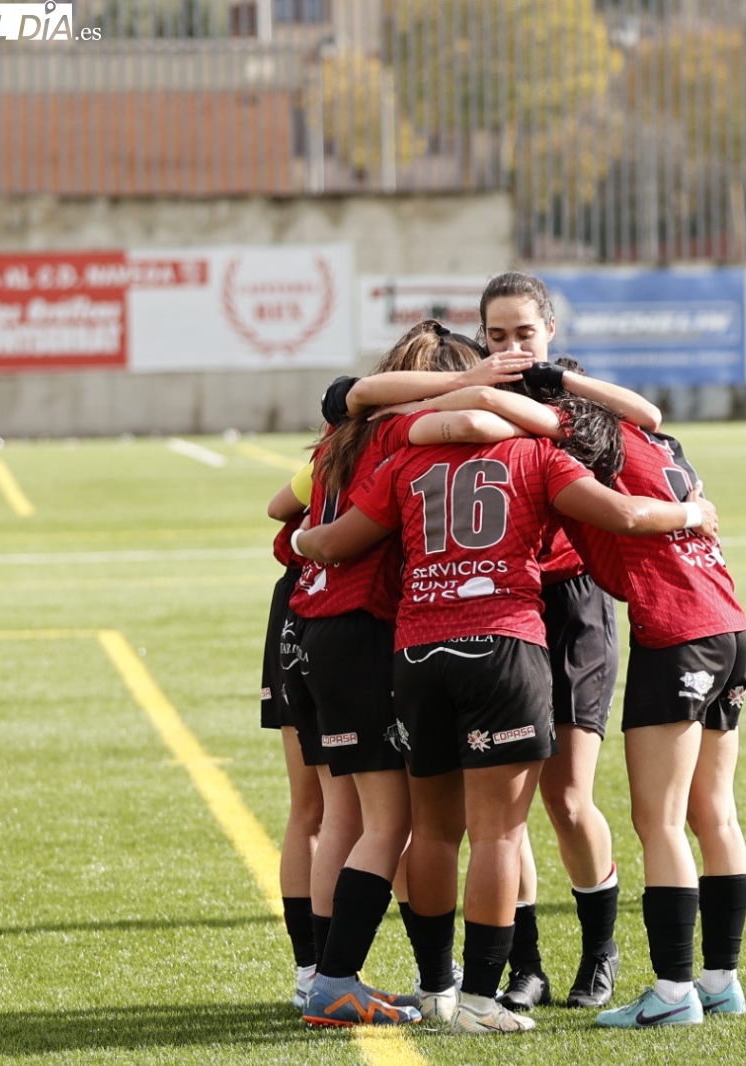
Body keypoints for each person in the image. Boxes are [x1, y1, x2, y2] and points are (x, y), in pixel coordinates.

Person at [292, 395, 718, 1036]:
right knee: (499, 835)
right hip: (502, 645)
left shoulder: (405, 460)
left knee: (431, 832)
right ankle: (482, 1001)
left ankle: (437, 986)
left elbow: (331, 540)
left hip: (416, 651)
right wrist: (694, 511)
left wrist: (297, 534)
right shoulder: (538, 454)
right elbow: (626, 513)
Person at [339, 271, 651, 1012]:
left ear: (551, 335)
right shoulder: (473, 394)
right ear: (481, 339)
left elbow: (647, 412)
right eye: (497, 336)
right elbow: (352, 397)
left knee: (565, 796)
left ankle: (600, 948)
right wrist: (473, 383)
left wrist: (556, 384)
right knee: (495, 812)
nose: (512, 348)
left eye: (525, 334)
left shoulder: (571, 400)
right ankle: (522, 964)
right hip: (484, 610)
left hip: (564, 597)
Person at [292, 324, 500, 1028]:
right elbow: (463, 418)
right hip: (361, 629)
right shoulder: (402, 428)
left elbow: (283, 525)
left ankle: (326, 973)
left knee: (352, 819)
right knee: (392, 822)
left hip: (316, 630)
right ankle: (335, 983)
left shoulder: (336, 441)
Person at [550, 395, 746, 1030]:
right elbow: (649, 409)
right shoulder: (651, 439)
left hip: (676, 630)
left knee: (658, 820)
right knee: (713, 813)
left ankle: (672, 992)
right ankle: (721, 980)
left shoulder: (583, 455)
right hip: (727, 623)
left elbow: (629, 514)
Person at [263, 463, 326, 1011]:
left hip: (299, 602)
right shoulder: (387, 438)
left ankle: (312, 969)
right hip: (337, 606)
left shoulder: (337, 444)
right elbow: (280, 508)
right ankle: (318, 968)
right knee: (388, 810)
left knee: (310, 808)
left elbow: (280, 508)